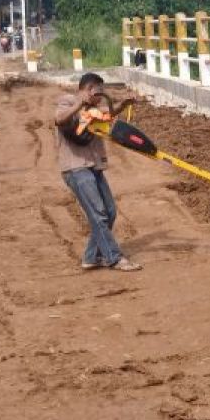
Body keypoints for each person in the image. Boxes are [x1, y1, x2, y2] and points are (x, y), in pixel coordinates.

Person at [54, 72, 141, 272]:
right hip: (76, 168)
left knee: (109, 211)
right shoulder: (67, 101)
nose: (101, 96)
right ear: (89, 89)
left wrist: (123, 104)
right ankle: (114, 258)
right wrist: (79, 104)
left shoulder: (94, 109)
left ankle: (91, 257)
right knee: (98, 214)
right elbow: (59, 119)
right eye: (99, 92)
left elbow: (109, 112)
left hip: (93, 166)